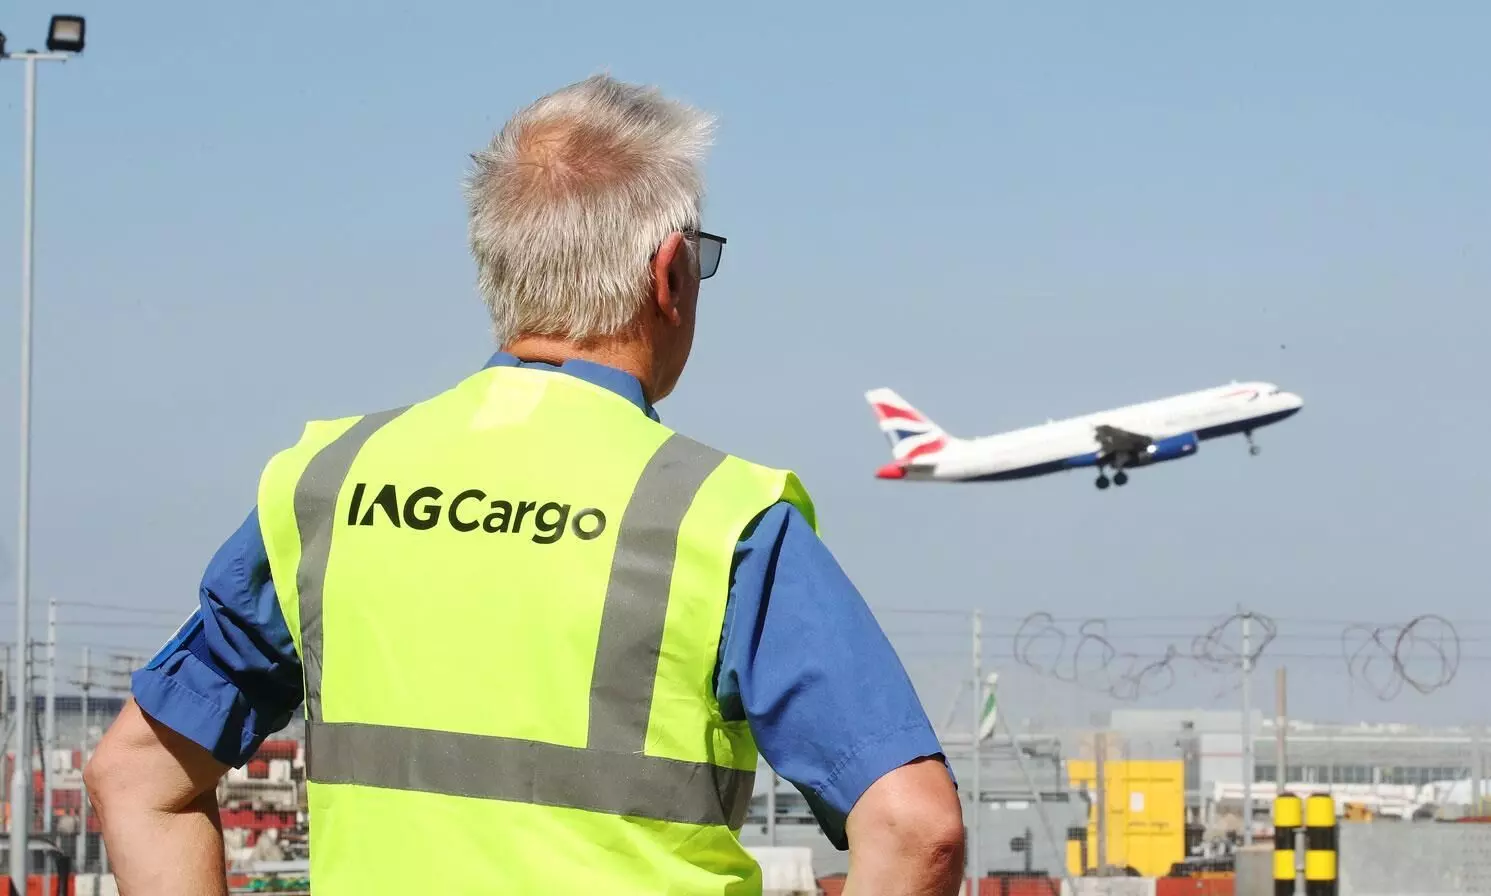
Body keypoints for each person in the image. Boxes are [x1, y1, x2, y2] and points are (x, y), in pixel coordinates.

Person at [85, 74, 964, 896]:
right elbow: (913, 826)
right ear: (667, 273)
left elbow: (136, 776)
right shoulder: (719, 518)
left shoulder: (328, 484)